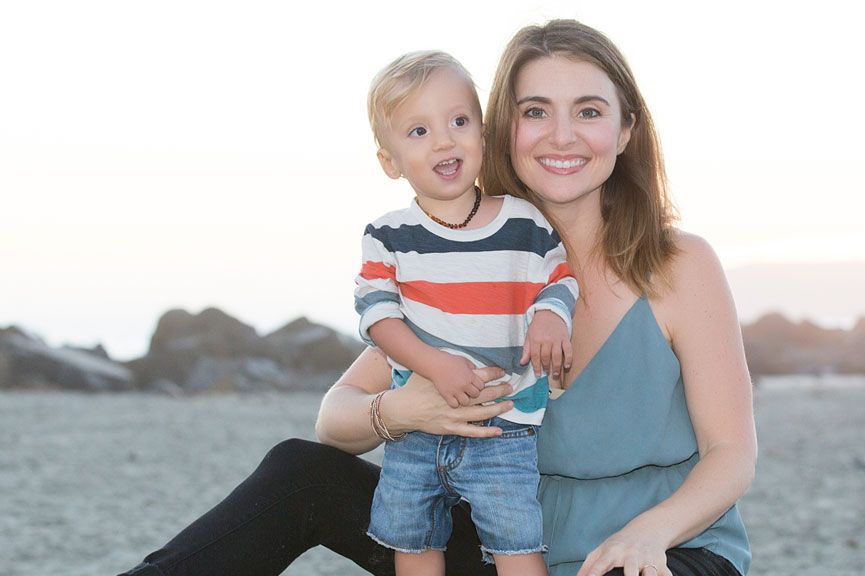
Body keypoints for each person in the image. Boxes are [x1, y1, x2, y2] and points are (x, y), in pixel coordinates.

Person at [118, 18, 755, 576]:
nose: (561, 136)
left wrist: (649, 533)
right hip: (509, 551)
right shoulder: (459, 262)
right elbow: (335, 417)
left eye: (588, 111)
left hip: (664, 551)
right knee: (299, 473)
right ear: (504, 130)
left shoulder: (681, 264)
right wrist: (402, 411)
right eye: (535, 112)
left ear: (625, 129)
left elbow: (732, 454)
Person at [355, 50, 577, 576]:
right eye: (418, 131)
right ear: (390, 161)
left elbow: (560, 278)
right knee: (412, 539)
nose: (444, 141)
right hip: (416, 431)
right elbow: (378, 317)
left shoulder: (524, 224)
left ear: (483, 133)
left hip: (505, 428)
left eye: (459, 121)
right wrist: (435, 365)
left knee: (517, 541)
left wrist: (551, 317)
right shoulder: (387, 236)